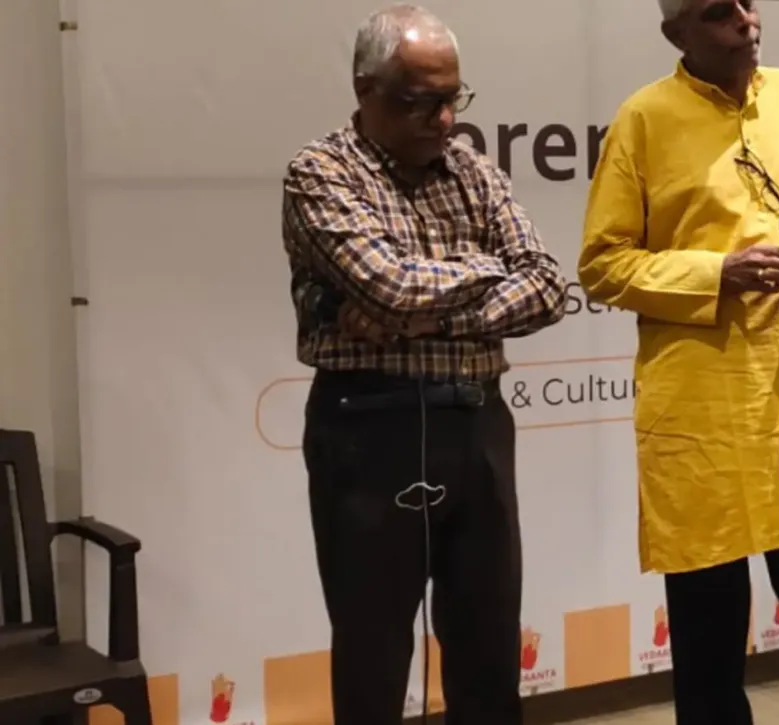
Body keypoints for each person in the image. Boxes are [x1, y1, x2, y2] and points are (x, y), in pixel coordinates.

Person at [578, 0, 779, 722]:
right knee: (710, 642)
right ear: (675, 32)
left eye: (748, 3)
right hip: (702, 414)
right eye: (718, 12)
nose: (745, 21)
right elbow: (603, 263)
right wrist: (718, 274)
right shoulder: (643, 119)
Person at [279, 5, 566, 724]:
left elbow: (548, 286)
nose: (442, 120)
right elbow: (391, 286)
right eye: (418, 101)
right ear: (365, 88)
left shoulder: (474, 171)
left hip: (476, 422)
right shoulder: (320, 173)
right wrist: (479, 270)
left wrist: (423, 305)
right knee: (374, 653)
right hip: (368, 427)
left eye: (452, 99)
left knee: (489, 643)